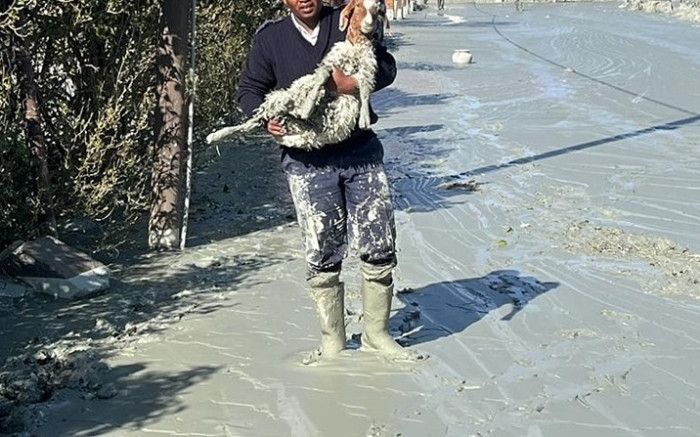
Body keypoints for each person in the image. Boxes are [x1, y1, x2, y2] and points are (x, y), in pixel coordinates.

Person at [237, 0, 421, 364]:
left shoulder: (347, 18)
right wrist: (266, 121)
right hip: (307, 163)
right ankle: (333, 341)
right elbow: (249, 90)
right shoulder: (270, 38)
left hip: (360, 152)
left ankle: (377, 334)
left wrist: (352, 84)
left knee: (379, 243)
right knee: (322, 251)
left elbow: (386, 66)